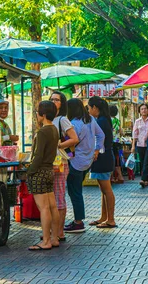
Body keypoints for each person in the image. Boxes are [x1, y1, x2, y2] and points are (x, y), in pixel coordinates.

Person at [64, 98, 104, 233]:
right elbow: (101, 135)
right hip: (87, 161)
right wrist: (97, 149)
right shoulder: (91, 120)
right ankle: (78, 220)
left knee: (75, 192)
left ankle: (78, 222)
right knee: (77, 191)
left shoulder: (74, 124)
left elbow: (71, 143)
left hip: (75, 161)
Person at [27, 100, 61, 251]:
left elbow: (38, 155)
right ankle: (54, 238)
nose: (37, 114)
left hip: (40, 171)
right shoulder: (54, 129)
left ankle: (46, 240)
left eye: (38, 111)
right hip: (49, 171)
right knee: (52, 206)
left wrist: (30, 171)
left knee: (44, 208)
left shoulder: (42, 132)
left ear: (43, 114)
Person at [50, 91, 79, 240]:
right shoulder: (50, 119)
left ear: (62, 104)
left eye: (57, 100)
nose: (54, 102)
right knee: (52, 198)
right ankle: (54, 231)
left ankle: (59, 232)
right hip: (49, 163)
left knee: (59, 196)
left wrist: (59, 144)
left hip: (60, 162)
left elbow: (74, 139)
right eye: (52, 99)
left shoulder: (62, 119)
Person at [87, 96, 117, 229]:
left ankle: (111, 219)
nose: (88, 110)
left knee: (107, 189)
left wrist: (96, 151)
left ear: (95, 108)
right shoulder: (102, 119)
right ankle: (104, 217)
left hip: (103, 157)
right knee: (103, 189)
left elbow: (99, 139)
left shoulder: (101, 121)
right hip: (104, 157)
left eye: (89, 108)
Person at [130, 103, 148, 188]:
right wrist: (133, 146)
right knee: (142, 162)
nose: (143, 110)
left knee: (146, 162)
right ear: (139, 111)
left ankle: (142, 179)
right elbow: (135, 134)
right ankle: (146, 180)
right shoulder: (137, 121)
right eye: (142, 109)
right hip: (140, 144)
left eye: (145, 109)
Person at [109, 105, 124, 184]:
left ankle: (111, 178)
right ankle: (120, 176)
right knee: (117, 160)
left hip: (111, 142)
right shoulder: (118, 120)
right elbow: (121, 132)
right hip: (118, 142)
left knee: (111, 160)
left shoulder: (108, 120)